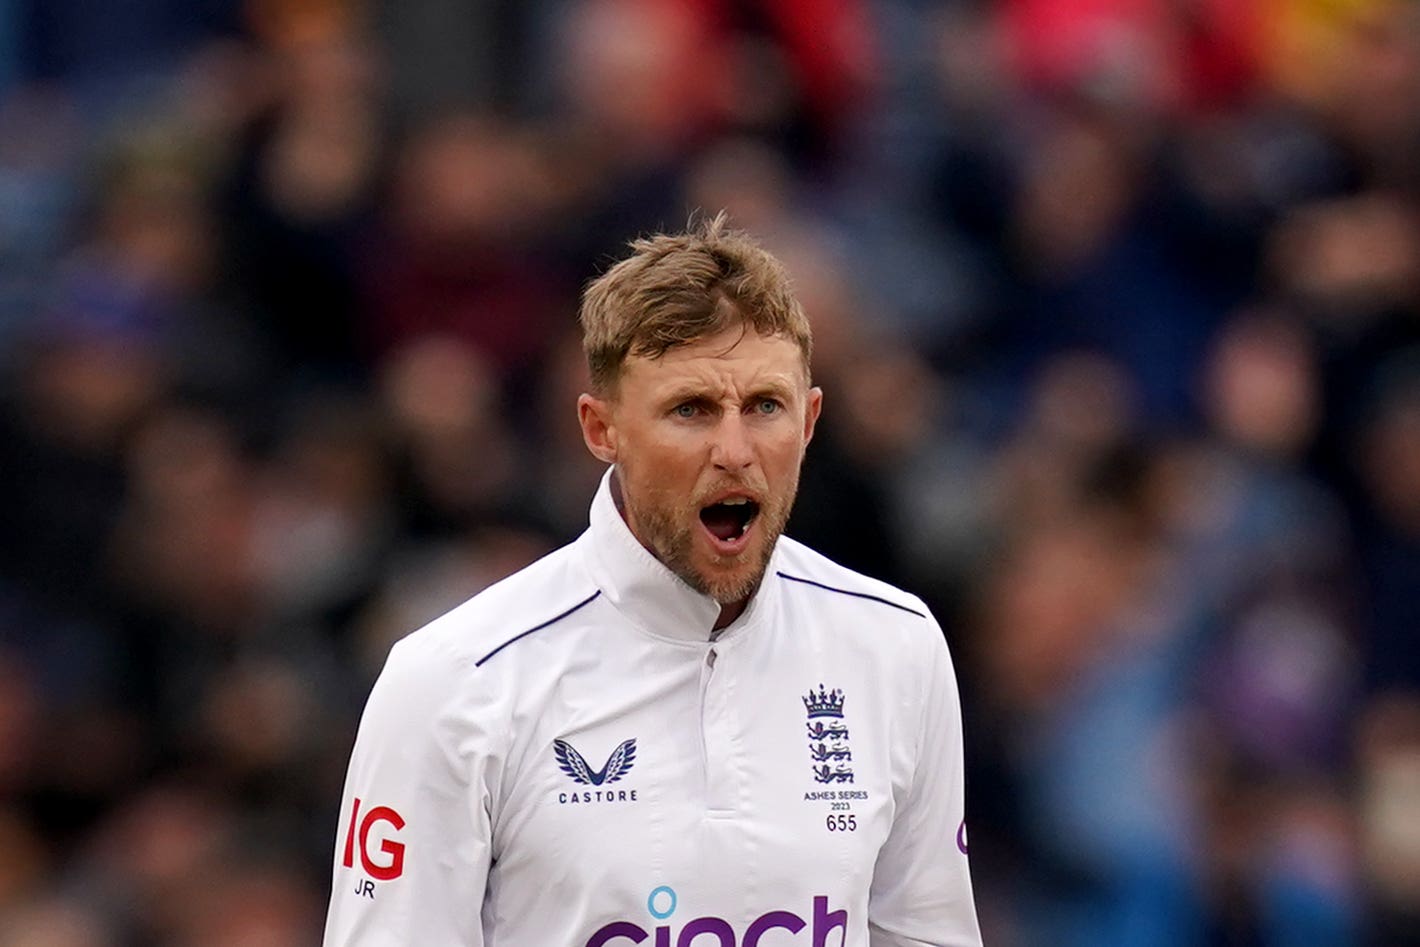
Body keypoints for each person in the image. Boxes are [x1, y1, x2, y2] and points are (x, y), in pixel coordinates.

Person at [322, 214, 982, 946]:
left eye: (765, 405)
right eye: (690, 410)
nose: (735, 450)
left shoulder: (897, 646)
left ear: (810, 419)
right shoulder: (452, 681)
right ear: (601, 428)